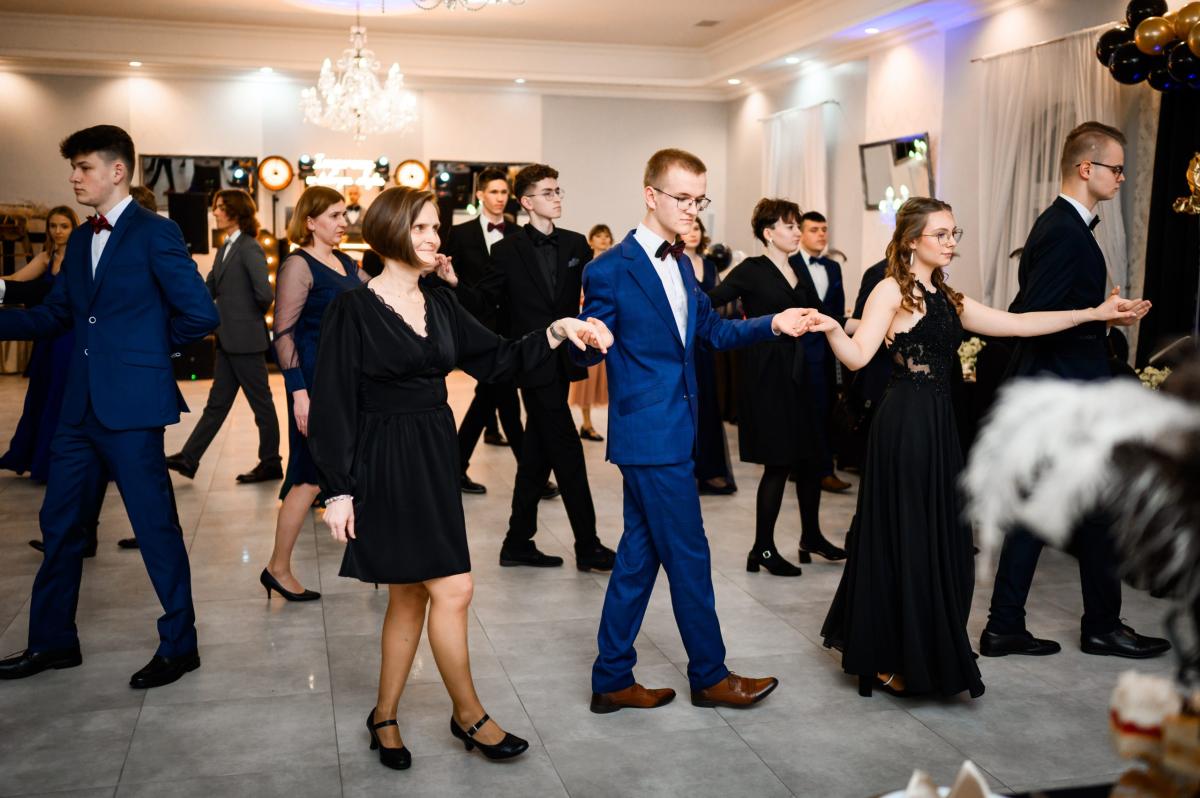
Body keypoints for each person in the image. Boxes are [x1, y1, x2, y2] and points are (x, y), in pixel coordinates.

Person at [308, 186, 611, 769]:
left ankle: (384, 714)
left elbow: (499, 358)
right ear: (390, 233)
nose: (433, 238)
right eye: (421, 228)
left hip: (432, 454)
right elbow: (333, 403)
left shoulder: (441, 303)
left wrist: (555, 331)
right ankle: (468, 714)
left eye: (435, 227)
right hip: (384, 460)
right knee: (454, 588)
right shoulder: (352, 308)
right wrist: (338, 488)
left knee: (409, 594)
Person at [809, 196, 1147, 698]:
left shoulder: (949, 298)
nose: (951, 243)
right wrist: (834, 327)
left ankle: (927, 647)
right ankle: (881, 656)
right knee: (905, 537)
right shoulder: (890, 290)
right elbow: (858, 357)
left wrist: (1094, 314)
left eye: (954, 233)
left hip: (940, 426)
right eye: (941, 234)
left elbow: (1020, 324)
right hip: (904, 427)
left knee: (943, 542)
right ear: (912, 241)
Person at [579, 148, 812, 714]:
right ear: (650, 194)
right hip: (648, 432)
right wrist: (583, 336)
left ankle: (612, 677)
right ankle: (710, 676)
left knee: (639, 555)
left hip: (677, 427)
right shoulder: (608, 268)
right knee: (688, 554)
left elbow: (712, 332)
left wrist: (774, 324)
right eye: (681, 197)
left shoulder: (683, 264)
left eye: (699, 199)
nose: (691, 209)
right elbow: (591, 338)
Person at [0, 124, 219, 688]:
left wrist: (142, 353)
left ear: (117, 171)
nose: (74, 178)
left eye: (84, 167)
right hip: (77, 412)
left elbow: (200, 314)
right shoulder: (78, 240)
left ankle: (181, 645)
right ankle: (52, 642)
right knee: (59, 526)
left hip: (132, 410)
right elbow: (56, 316)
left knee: (155, 528)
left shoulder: (156, 232)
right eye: (72, 169)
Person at [980, 121, 1171, 661]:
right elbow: (1028, 317)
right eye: (1116, 168)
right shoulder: (1064, 231)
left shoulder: (1065, 227)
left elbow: (1049, 313)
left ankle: (1012, 625)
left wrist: (1105, 317)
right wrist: (1095, 316)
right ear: (1087, 168)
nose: (1121, 178)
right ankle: (1094, 627)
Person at [464, 164, 615, 571]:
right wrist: (452, 281)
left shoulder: (577, 244)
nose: (557, 197)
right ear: (527, 202)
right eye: (548, 193)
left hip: (564, 361)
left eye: (558, 190)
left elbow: (592, 297)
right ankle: (588, 546)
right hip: (531, 362)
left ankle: (517, 541)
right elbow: (483, 302)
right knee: (567, 451)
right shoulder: (506, 250)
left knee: (537, 452)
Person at [708, 199, 846, 577]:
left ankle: (811, 537)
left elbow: (821, 315)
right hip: (768, 372)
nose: (797, 232)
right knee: (778, 461)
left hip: (803, 371)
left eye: (798, 225)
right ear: (768, 233)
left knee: (811, 457)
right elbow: (710, 303)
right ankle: (763, 548)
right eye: (790, 226)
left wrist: (864, 325)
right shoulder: (751, 270)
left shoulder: (798, 267)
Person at [265, 185, 365, 602]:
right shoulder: (297, 265)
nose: (344, 223)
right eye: (335, 216)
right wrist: (299, 393)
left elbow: (381, 294)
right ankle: (277, 568)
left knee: (356, 471)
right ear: (309, 222)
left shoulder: (346, 262)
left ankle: (374, 560)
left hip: (347, 383)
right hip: (315, 385)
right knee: (307, 478)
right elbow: (283, 334)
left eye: (345, 214)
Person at [165, 190, 280, 484]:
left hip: (245, 340)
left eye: (219, 207)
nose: (214, 212)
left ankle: (271, 462)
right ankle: (189, 457)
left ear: (235, 211)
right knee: (217, 404)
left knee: (261, 405)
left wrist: (242, 319)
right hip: (229, 340)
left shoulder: (249, 247)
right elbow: (209, 288)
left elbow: (264, 294)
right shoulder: (225, 247)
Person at [441, 168, 523, 494]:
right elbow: (447, 282)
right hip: (475, 330)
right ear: (480, 195)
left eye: (504, 192)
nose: (500, 198)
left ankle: (455, 468)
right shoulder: (460, 234)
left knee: (492, 397)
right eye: (494, 192)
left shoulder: (518, 233)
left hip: (510, 331)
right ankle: (530, 472)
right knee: (503, 399)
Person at [789, 211, 852, 493]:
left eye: (824, 229)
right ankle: (802, 467)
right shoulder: (790, 264)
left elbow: (836, 310)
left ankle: (824, 470)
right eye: (814, 229)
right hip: (798, 349)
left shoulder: (833, 267)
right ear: (801, 233)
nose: (821, 234)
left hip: (827, 350)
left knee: (824, 410)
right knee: (801, 412)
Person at [682, 218, 736, 495]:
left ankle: (710, 470)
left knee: (707, 406)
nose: (693, 233)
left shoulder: (710, 266)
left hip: (705, 346)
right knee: (684, 407)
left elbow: (722, 307)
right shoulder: (672, 262)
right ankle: (685, 471)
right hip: (682, 345)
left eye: (697, 228)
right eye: (688, 228)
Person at [569, 224, 613, 442]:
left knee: (606, 377)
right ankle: (586, 423)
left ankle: (592, 424)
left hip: (608, 327)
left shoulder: (614, 265)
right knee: (587, 377)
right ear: (591, 240)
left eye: (606, 236)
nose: (603, 239)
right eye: (599, 236)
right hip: (586, 324)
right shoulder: (584, 266)